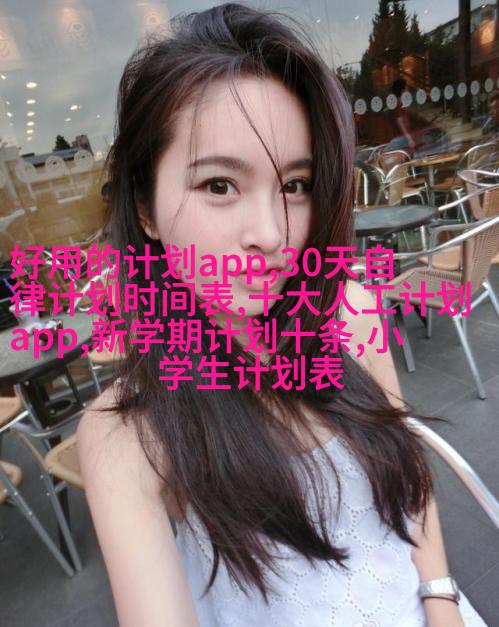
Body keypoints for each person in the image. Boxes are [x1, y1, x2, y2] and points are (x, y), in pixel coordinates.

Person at [77, 5, 486, 626]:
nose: (271, 234)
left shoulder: (351, 312)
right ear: (146, 210)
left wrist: (441, 597)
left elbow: (409, 479)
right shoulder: (127, 434)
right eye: (219, 185)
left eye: (294, 185)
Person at [389, 77, 416, 155]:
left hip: (403, 138)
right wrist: (409, 138)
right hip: (402, 140)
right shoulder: (398, 104)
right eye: (406, 87)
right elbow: (400, 122)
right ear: (402, 90)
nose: (408, 89)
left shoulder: (401, 103)